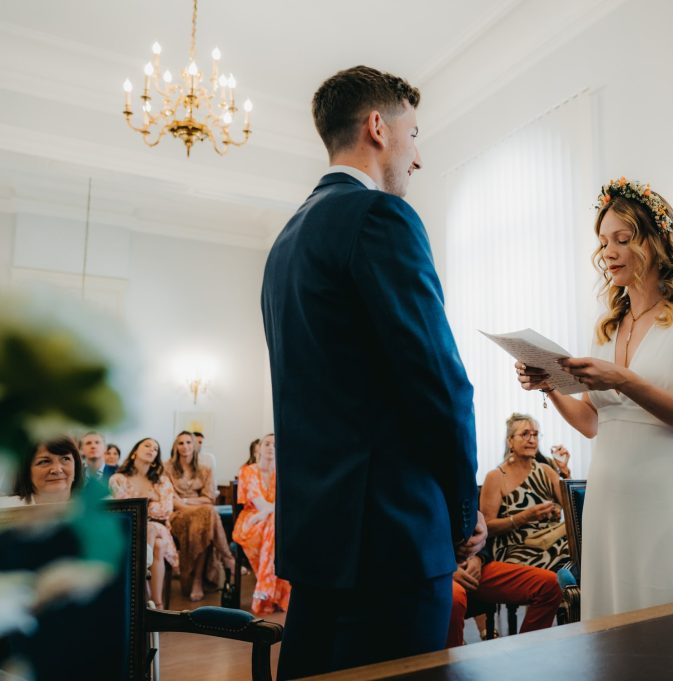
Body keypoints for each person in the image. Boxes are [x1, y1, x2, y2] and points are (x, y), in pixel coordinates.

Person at [261, 65, 483, 678]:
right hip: (392, 538)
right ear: (379, 127)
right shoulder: (380, 217)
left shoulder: (286, 242)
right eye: (415, 135)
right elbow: (440, 383)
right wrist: (463, 511)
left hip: (318, 542)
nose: (418, 157)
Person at [517, 177, 673, 619]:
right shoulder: (608, 325)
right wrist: (550, 384)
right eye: (603, 242)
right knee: (614, 626)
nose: (608, 253)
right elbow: (594, 423)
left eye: (623, 239)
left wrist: (626, 380)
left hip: (666, 495)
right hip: (609, 500)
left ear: (655, 241)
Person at [480, 413, 571, 572]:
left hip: (552, 540)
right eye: (525, 434)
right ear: (510, 441)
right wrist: (524, 517)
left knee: (584, 548)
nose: (532, 440)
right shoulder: (495, 477)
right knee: (570, 558)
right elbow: (486, 527)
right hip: (517, 549)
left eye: (535, 435)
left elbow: (572, 507)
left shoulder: (546, 470)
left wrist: (565, 473)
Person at [109, 438, 180, 609]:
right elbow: (122, 508)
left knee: (151, 528)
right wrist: (151, 502)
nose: (151, 449)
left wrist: (141, 507)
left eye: (155, 449)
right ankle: (156, 604)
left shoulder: (162, 481)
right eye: (147, 445)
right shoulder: (118, 479)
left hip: (158, 526)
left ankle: (142, 594)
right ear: (134, 452)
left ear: (156, 458)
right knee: (158, 545)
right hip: (128, 528)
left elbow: (166, 510)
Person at [166, 431, 234, 601]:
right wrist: (191, 505)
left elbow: (209, 498)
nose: (185, 446)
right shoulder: (167, 468)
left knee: (203, 524)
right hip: (177, 514)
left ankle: (197, 580)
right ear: (175, 447)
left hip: (200, 514)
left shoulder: (205, 470)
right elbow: (170, 499)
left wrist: (186, 500)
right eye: (181, 443)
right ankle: (227, 559)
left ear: (195, 446)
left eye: (189, 442)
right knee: (209, 514)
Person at [446, 550, 562, 648]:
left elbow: (479, 535)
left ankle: (528, 655)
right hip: (440, 571)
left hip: (469, 562)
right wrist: (444, 568)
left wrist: (478, 557)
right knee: (453, 599)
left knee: (550, 584)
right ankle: (448, 664)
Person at [233, 433, 290, 614]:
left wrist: (267, 513)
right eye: (267, 444)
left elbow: (287, 502)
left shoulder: (283, 472)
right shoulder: (248, 471)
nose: (271, 447)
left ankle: (265, 592)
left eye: (275, 444)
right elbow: (260, 504)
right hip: (251, 521)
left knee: (273, 525)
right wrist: (268, 511)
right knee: (276, 529)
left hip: (272, 521)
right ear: (259, 448)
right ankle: (273, 593)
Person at [10, 436, 83, 505]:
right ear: (26, 471)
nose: (57, 470)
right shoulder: (7, 509)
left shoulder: (88, 506)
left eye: (65, 459)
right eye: (45, 461)